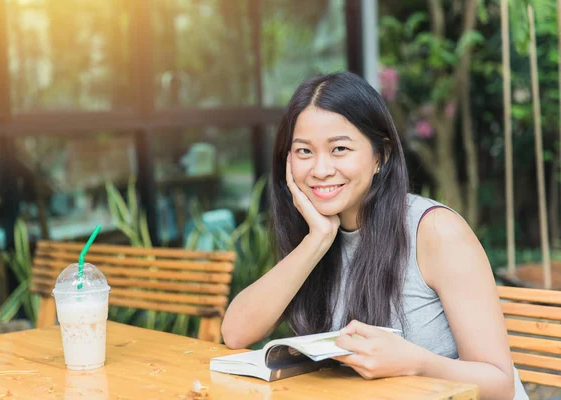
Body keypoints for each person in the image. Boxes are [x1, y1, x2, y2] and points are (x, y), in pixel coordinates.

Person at [221, 72, 527, 400]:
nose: (320, 169)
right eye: (304, 152)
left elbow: (500, 384)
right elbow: (235, 333)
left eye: (339, 149)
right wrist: (317, 240)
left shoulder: (435, 232)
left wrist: (416, 363)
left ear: (379, 156)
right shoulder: (315, 232)